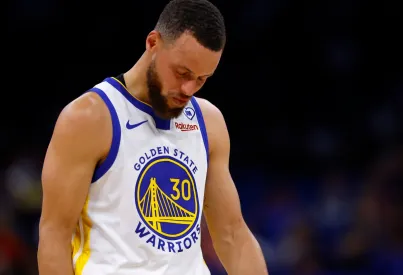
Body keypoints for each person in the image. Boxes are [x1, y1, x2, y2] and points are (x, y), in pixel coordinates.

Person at [37, 0, 268, 274]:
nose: (189, 88)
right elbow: (54, 237)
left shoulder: (209, 121)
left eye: (202, 79)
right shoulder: (89, 118)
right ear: (153, 43)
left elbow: (233, 234)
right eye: (182, 73)